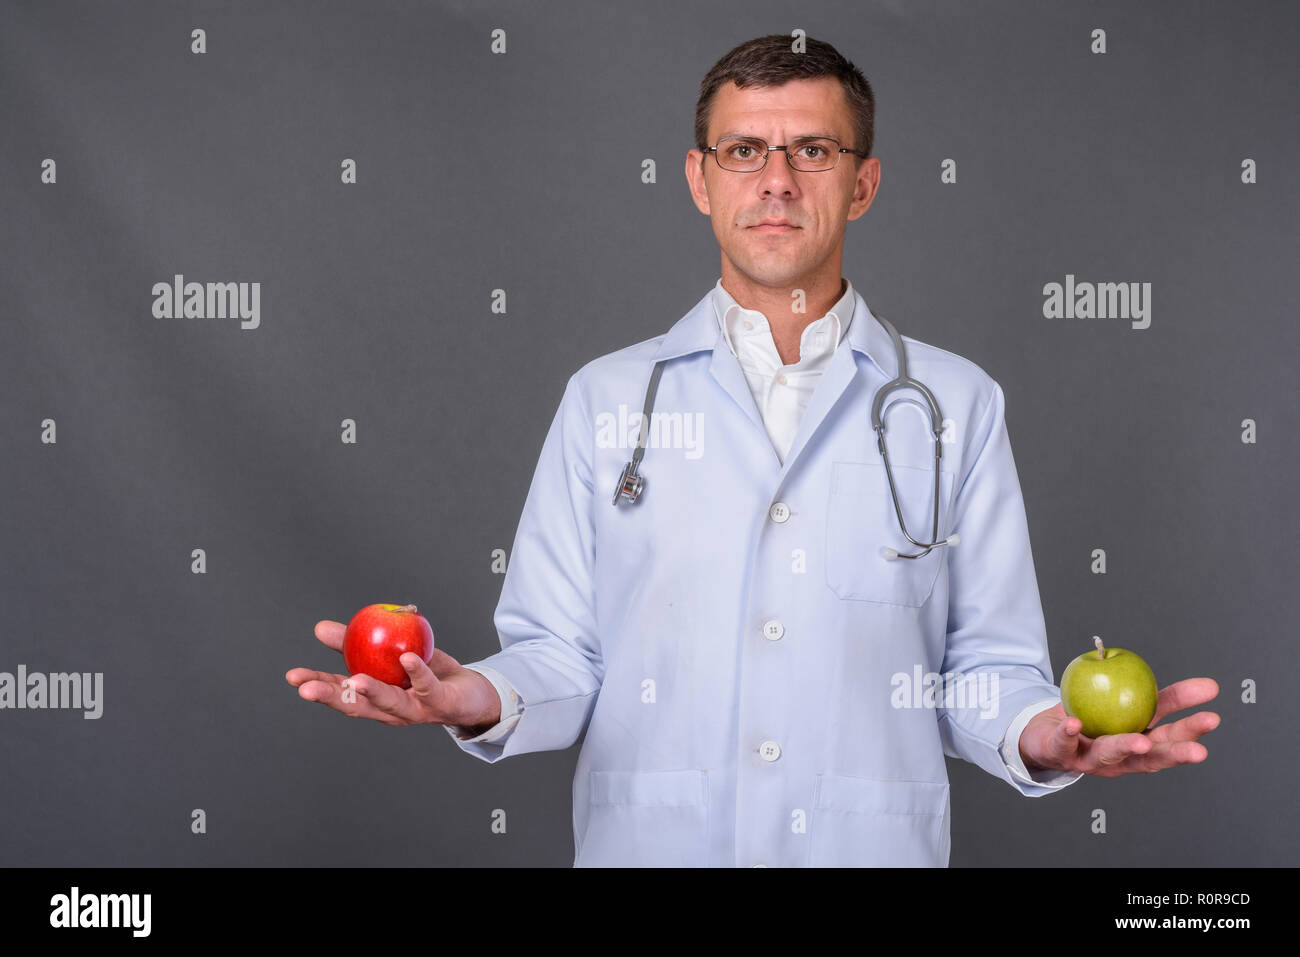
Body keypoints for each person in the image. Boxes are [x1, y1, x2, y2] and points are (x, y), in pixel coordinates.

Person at [286, 34, 1220, 867]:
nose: (777, 180)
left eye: (813, 150)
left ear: (864, 183)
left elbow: (983, 665)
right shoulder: (606, 399)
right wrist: (478, 695)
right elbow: (560, 656)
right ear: (700, 181)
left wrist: (1042, 735)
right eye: (744, 151)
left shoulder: (956, 402)